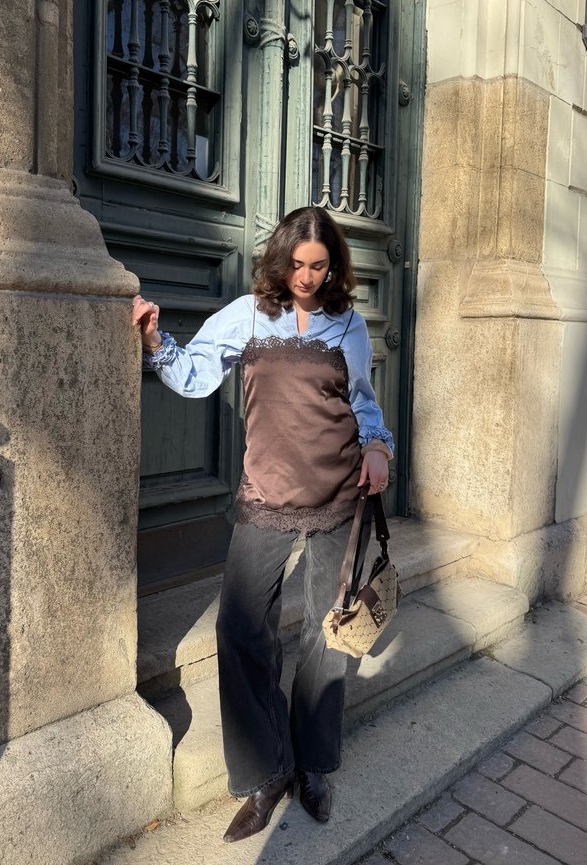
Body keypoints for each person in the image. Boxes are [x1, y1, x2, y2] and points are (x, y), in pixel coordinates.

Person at [132, 206, 394, 843]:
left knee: (328, 632)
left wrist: (378, 447)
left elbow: (363, 403)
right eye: (297, 264)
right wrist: (155, 342)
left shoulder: (349, 325)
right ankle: (266, 769)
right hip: (266, 493)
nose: (306, 277)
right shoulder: (247, 315)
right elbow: (195, 376)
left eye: (319, 266)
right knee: (241, 628)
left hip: (339, 490)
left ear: (333, 267)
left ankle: (314, 764)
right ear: (281, 260)